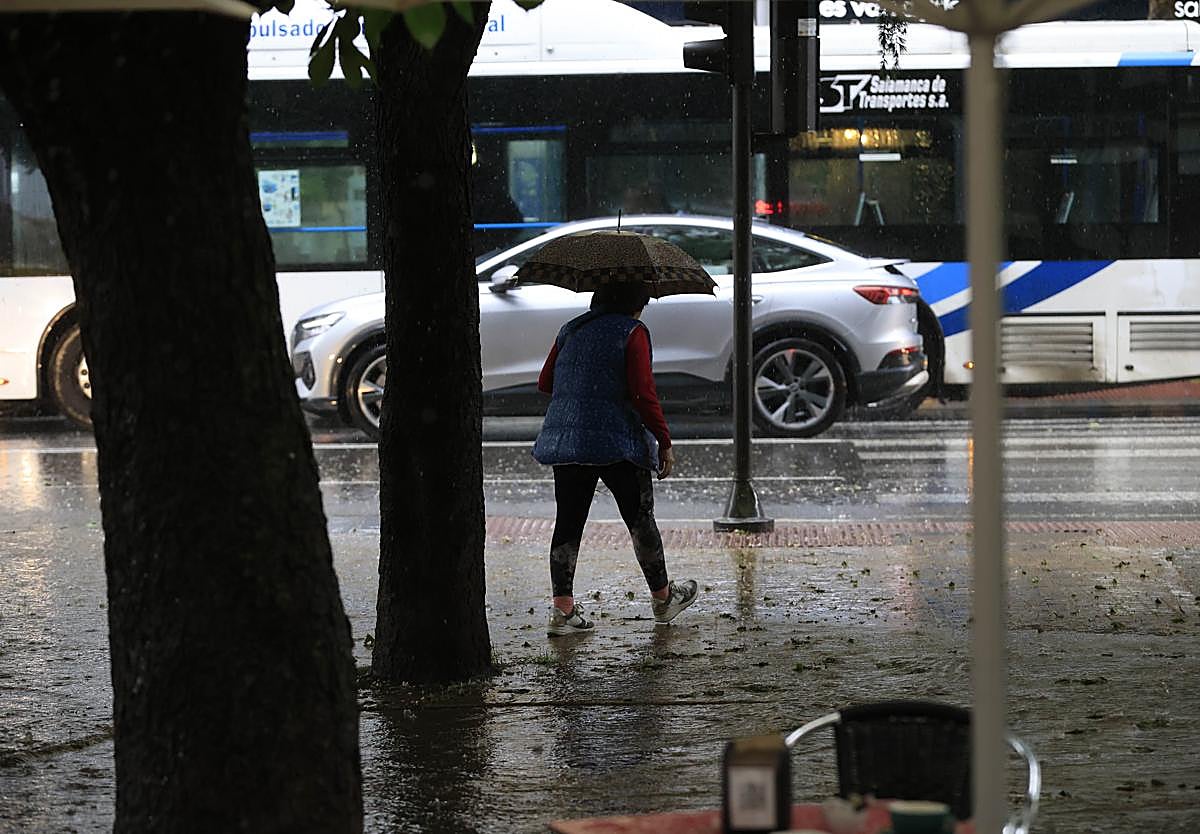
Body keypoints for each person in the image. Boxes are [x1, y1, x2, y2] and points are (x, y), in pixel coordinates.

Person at [532, 280, 699, 637]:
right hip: (617, 440)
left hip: (569, 438)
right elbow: (642, 392)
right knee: (640, 519)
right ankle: (663, 599)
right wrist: (664, 440)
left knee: (568, 522)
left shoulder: (571, 329)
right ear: (635, 302)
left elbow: (546, 382)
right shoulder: (633, 332)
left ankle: (562, 610)